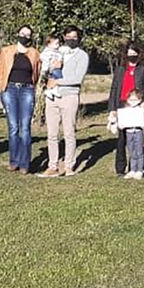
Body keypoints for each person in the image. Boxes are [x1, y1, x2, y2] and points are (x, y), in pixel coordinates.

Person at [41, 26, 88, 177]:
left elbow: (77, 79)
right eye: (68, 36)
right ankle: (52, 166)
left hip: (69, 96)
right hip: (52, 97)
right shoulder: (58, 51)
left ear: (78, 38)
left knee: (69, 132)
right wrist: (50, 70)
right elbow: (47, 70)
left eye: (74, 37)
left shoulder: (82, 56)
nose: (71, 39)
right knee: (52, 134)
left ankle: (69, 166)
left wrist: (58, 82)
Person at [0, 25, 41, 173]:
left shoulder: (34, 53)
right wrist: (1, 90)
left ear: (31, 37)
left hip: (27, 89)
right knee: (13, 127)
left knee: (25, 128)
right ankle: (13, 161)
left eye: (27, 34)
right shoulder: (6, 51)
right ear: (17, 33)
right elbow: (1, 72)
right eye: (22, 33)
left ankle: (25, 163)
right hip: (9, 89)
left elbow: (36, 73)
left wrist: (33, 88)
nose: (24, 36)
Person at [108, 42, 144, 177]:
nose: (132, 55)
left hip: (136, 105)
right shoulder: (120, 69)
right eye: (129, 53)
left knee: (136, 137)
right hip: (122, 105)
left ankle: (137, 167)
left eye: (134, 53)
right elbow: (114, 88)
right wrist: (112, 108)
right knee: (121, 139)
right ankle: (120, 168)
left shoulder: (143, 69)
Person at [110, 88, 144, 179]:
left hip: (138, 132)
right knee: (131, 152)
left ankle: (139, 170)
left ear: (140, 100)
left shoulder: (141, 110)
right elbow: (121, 123)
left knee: (139, 152)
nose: (133, 102)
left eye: (135, 100)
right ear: (127, 100)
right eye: (131, 100)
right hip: (129, 132)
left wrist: (143, 119)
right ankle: (132, 169)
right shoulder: (125, 110)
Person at [39, 34, 67, 100]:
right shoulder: (48, 52)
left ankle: (51, 90)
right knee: (58, 77)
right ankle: (52, 89)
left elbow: (60, 59)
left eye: (58, 43)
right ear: (49, 44)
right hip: (51, 70)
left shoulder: (57, 52)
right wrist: (45, 69)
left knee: (55, 78)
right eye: (56, 44)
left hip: (55, 69)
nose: (58, 45)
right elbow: (45, 61)